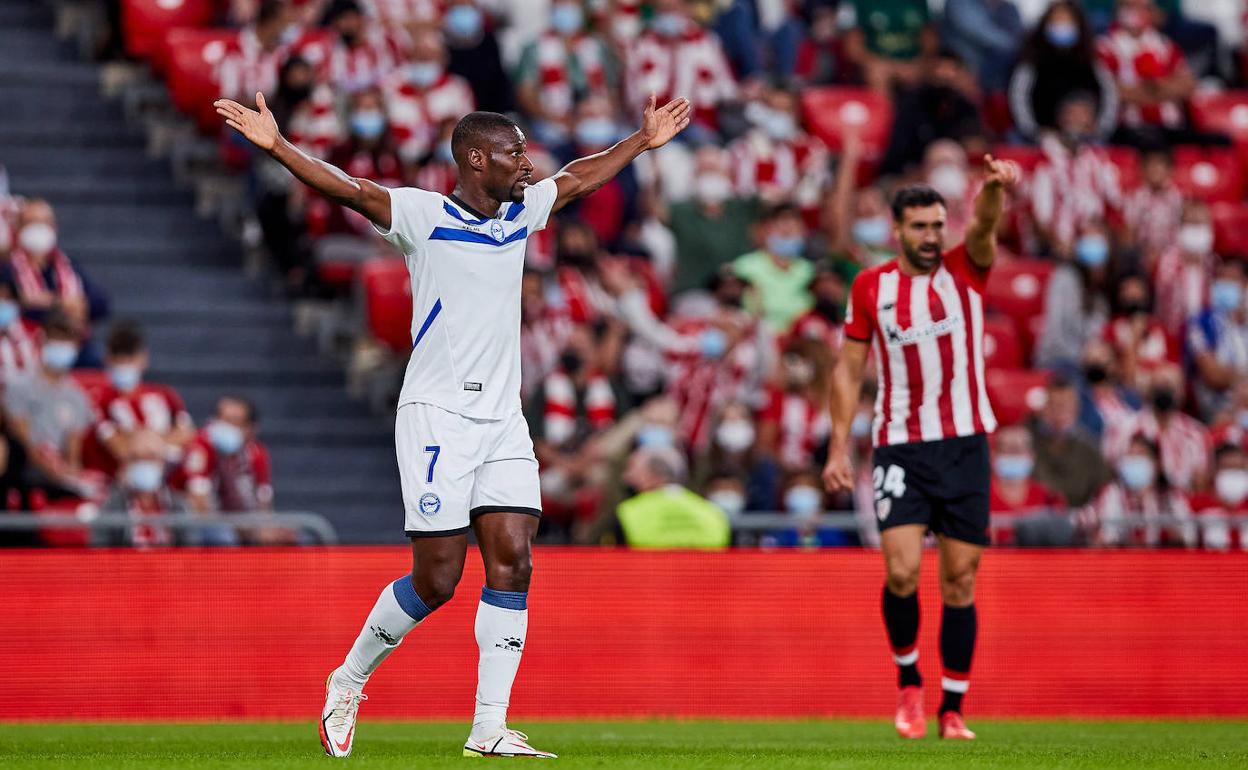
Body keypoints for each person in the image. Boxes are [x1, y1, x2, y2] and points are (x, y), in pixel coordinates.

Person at [215, 75, 691, 758]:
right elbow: (346, 188)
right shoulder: (421, 214)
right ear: (475, 159)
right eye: (513, 155)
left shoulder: (521, 212)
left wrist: (641, 142)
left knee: (514, 559)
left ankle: (488, 728)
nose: (526, 165)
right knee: (438, 578)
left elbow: (579, 179)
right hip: (437, 415)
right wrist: (278, 145)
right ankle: (347, 682)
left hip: (502, 418)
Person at [822, 158, 1022, 741]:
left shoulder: (966, 270)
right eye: (920, 227)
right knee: (904, 572)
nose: (932, 237)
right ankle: (910, 684)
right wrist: (839, 447)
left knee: (960, 579)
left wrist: (991, 190)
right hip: (900, 447)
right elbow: (848, 368)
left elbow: (984, 227)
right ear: (897, 230)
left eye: (938, 226)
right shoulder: (870, 287)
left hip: (964, 445)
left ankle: (953, 707)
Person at [1007, 1, 1118, 144]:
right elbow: (1019, 98)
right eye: (1056, 20)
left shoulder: (1092, 61)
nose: (1061, 25)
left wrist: (1100, 129)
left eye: (1067, 21)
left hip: (1087, 137)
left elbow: (1109, 95)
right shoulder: (1031, 61)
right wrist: (1035, 132)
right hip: (1040, 137)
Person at [616, 444, 731, 549]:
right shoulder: (712, 513)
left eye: (632, 470)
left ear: (655, 475)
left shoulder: (628, 513)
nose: (627, 477)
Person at [1029, 376, 1113, 507]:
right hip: (1037, 515)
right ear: (1043, 408)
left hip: (1080, 516)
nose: (1059, 412)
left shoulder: (1090, 447)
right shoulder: (1027, 441)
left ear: (1076, 408)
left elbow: (1101, 487)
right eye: (1053, 405)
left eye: (1064, 405)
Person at [731, 202, 814, 334]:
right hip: (756, 336)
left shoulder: (809, 271)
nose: (787, 234)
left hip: (799, 339)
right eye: (782, 232)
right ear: (766, 231)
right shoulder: (745, 266)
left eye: (792, 231)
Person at [987, 425, 1067, 546]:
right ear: (994, 456)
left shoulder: (1048, 497)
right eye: (1007, 450)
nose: (1013, 455)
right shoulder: (980, 498)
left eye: (1018, 450)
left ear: (1031, 456)